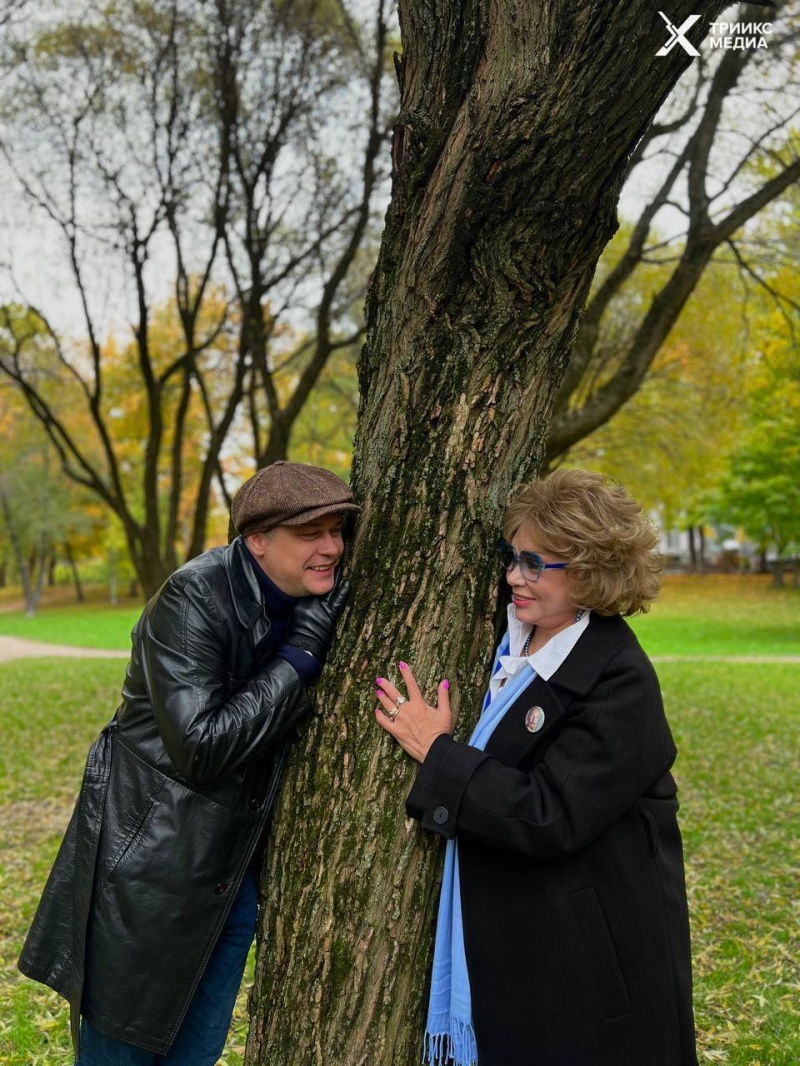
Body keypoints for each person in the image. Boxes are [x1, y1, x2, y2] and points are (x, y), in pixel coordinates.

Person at [19, 460, 360, 1065]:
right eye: (311, 534)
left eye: (337, 531)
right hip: (150, 878)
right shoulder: (193, 597)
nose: (332, 548)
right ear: (257, 540)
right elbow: (201, 747)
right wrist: (300, 657)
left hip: (229, 886)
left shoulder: (304, 593)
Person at [373, 468, 697, 1066]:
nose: (512, 577)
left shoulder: (619, 681)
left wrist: (437, 751)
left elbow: (550, 816)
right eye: (512, 557)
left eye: (533, 564)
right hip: (525, 944)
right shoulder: (511, 637)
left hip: (588, 969)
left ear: (591, 571)